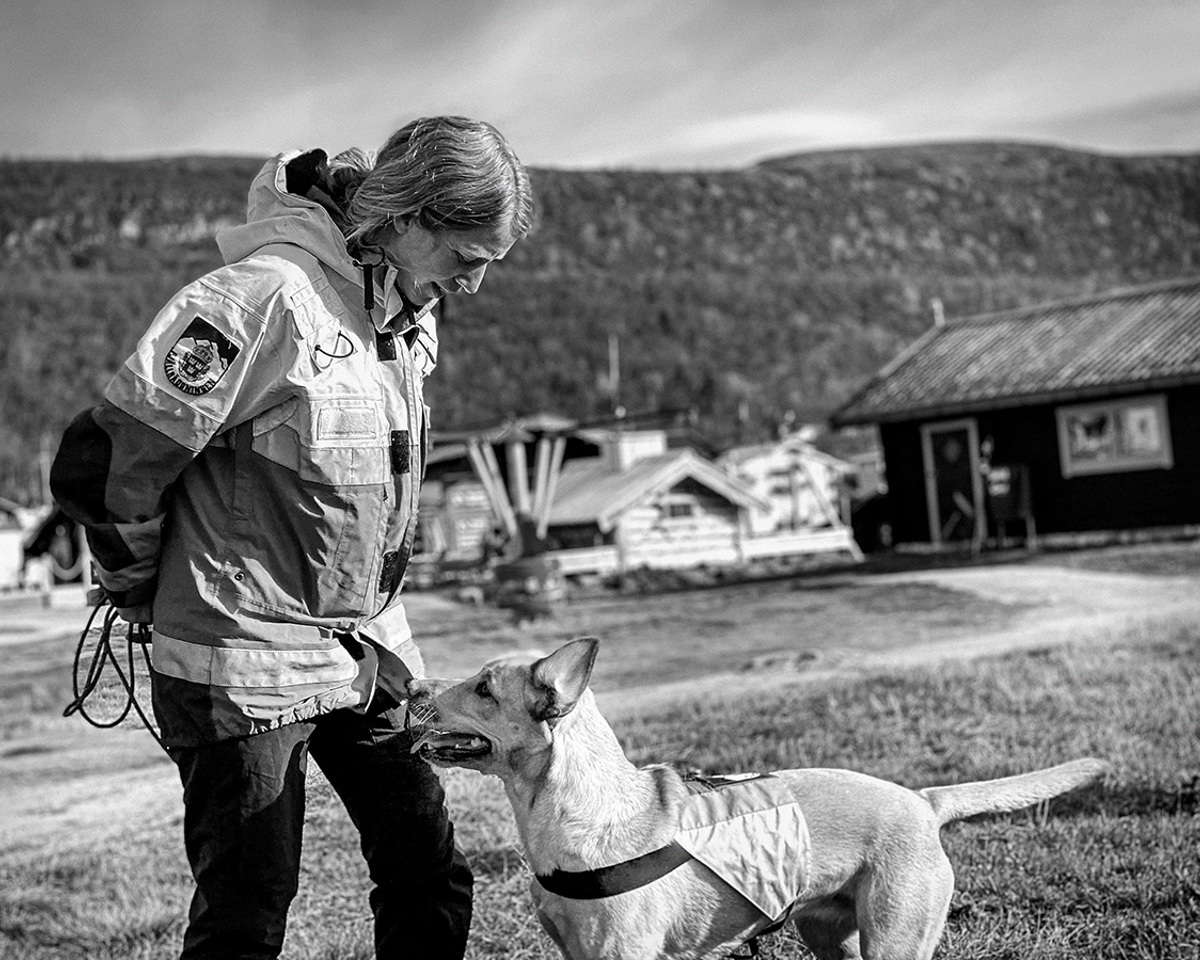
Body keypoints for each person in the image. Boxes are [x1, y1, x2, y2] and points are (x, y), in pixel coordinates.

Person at [50, 116, 533, 960]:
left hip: (366, 644)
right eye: (467, 259)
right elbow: (108, 463)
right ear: (410, 215)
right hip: (239, 658)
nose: (474, 285)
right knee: (249, 909)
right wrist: (136, 588)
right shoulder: (262, 299)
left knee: (428, 869)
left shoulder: (406, 318)